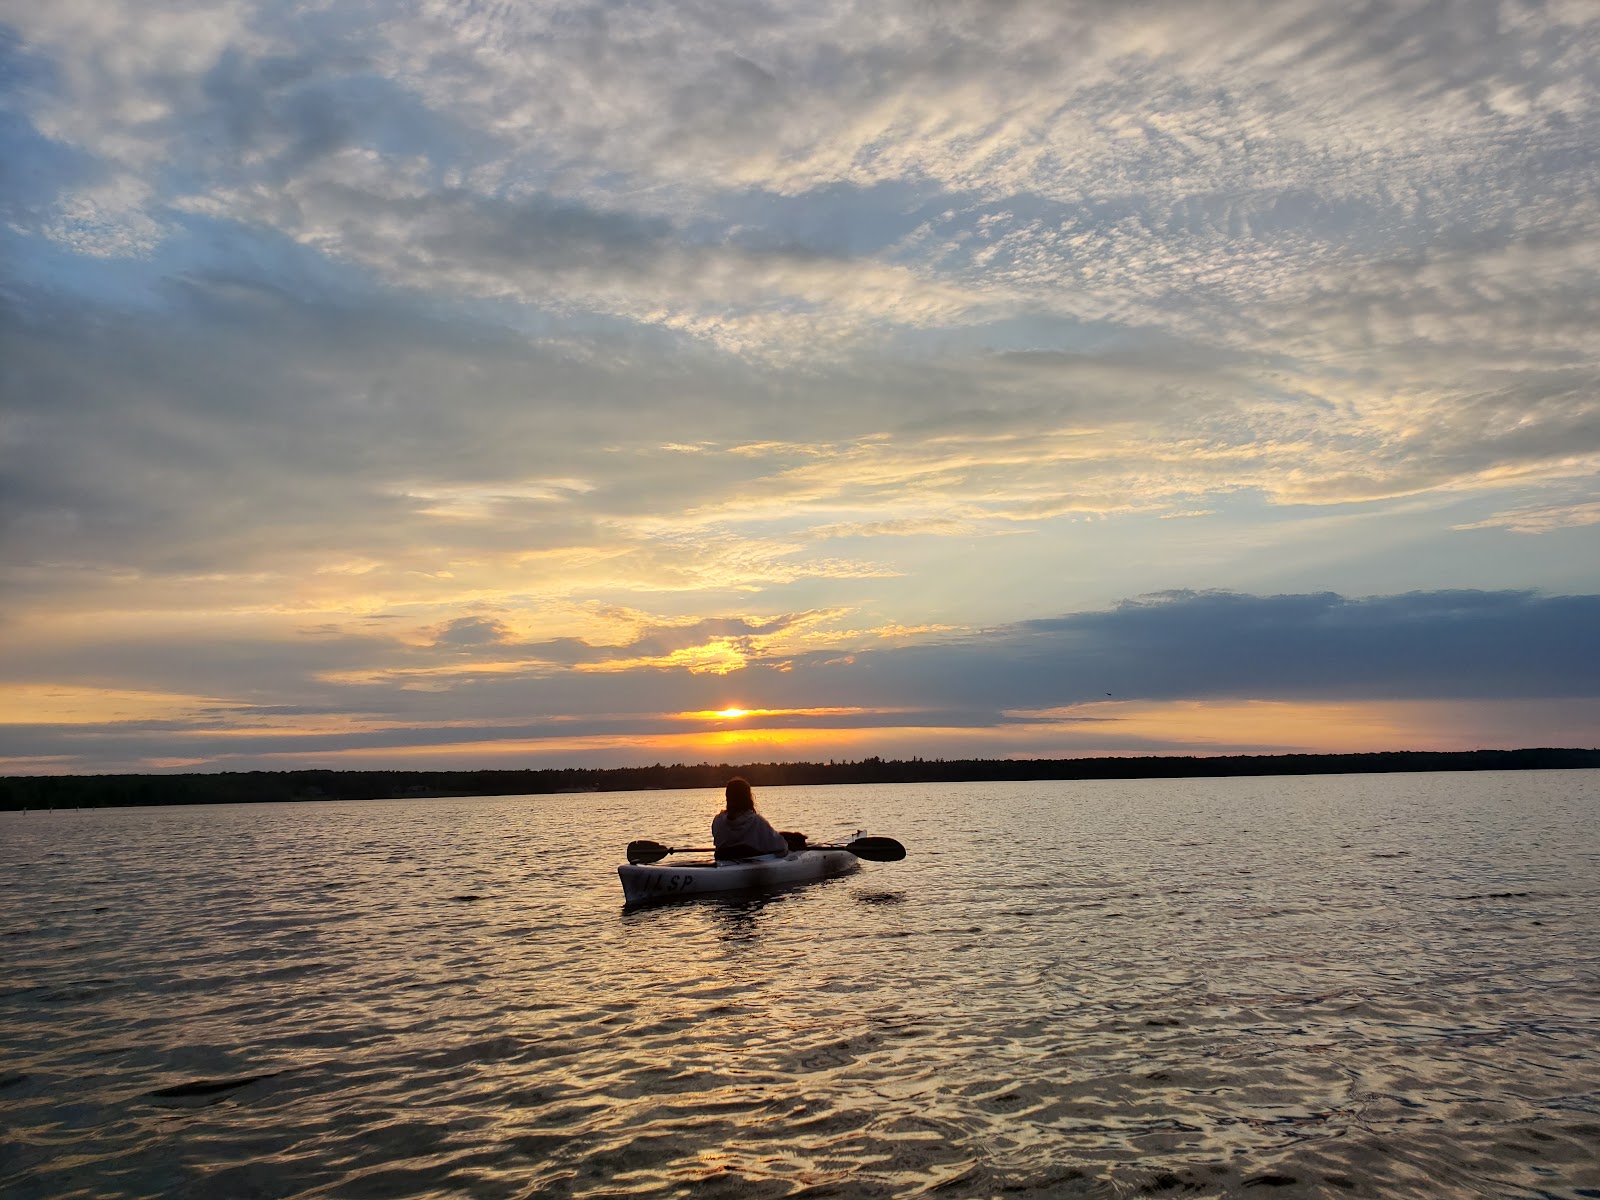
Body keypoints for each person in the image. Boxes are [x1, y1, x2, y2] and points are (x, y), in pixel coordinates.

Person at [712, 777, 796, 860]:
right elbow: (781, 847)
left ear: (728, 797)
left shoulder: (717, 821)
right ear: (748, 798)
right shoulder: (757, 821)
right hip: (751, 863)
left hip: (724, 862)